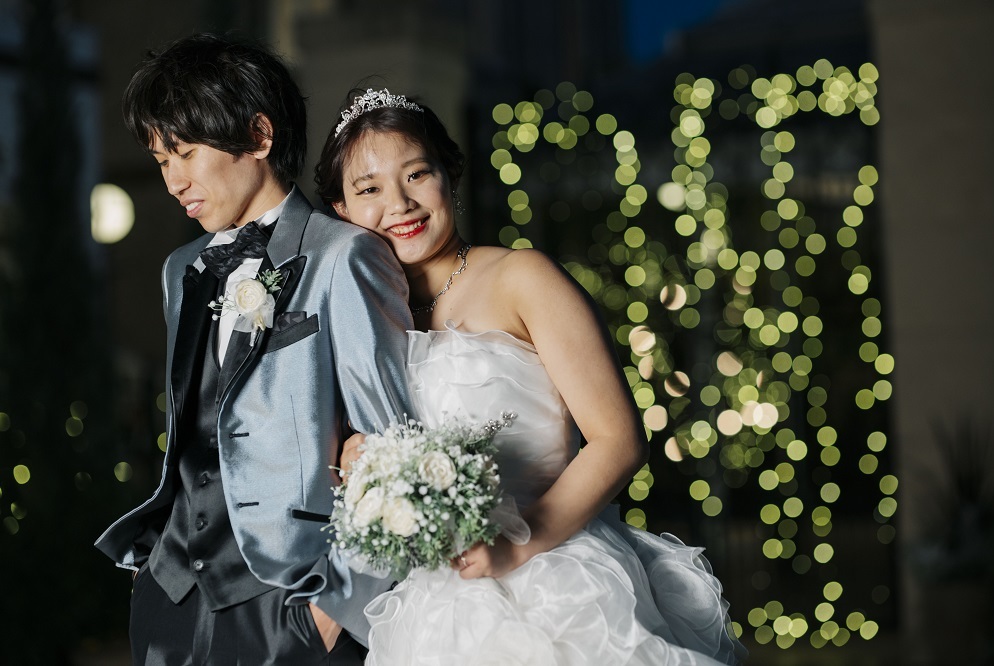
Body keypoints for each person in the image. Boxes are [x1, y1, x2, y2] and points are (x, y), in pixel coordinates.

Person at [315, 88, 747, 665]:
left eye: (417, 174)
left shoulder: (523, 277)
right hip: (434, 606)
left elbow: (619, 440)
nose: (399, 203)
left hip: (557, 578)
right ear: (343, 210)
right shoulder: (365, 321)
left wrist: (520, 545)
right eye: (369, 189)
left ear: (449, 176)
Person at [95, 37, 413, 665]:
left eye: (185, 153)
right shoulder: (181, 269)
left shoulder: (344, 256)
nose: (173, 182)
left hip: (289, 601)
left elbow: (397, 450)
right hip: (170, 597)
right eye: (161, 161)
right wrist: (153, 576)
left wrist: (331, 614)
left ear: (259, 135)